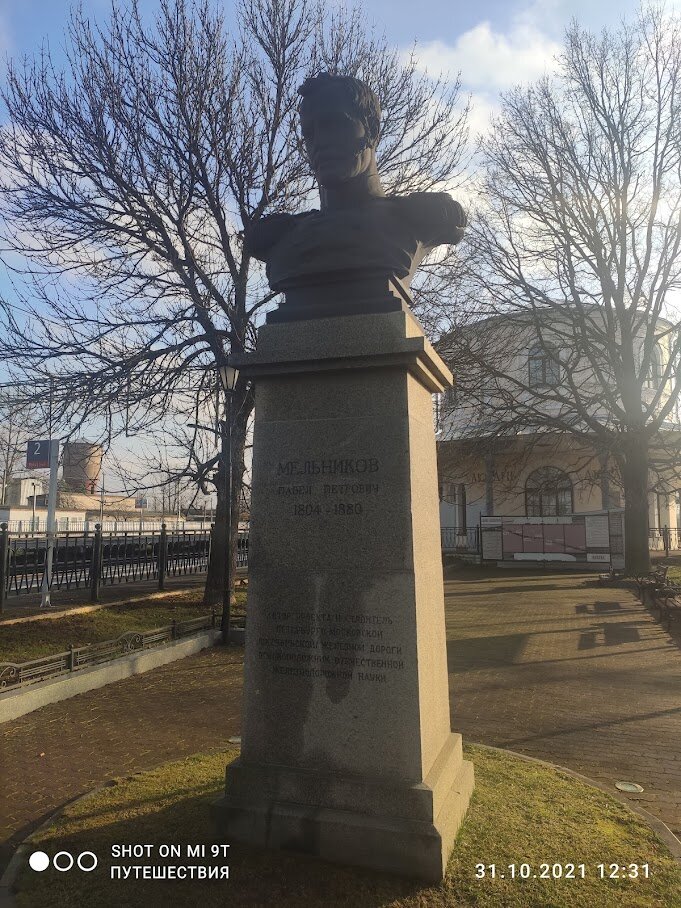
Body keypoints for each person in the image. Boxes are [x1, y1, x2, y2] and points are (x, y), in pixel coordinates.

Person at [246, 73, 466, 312]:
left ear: (372, 130)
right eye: (309, 134)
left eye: (334, 124)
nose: (319, 142)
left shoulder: (417, 219)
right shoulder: (283, 238)